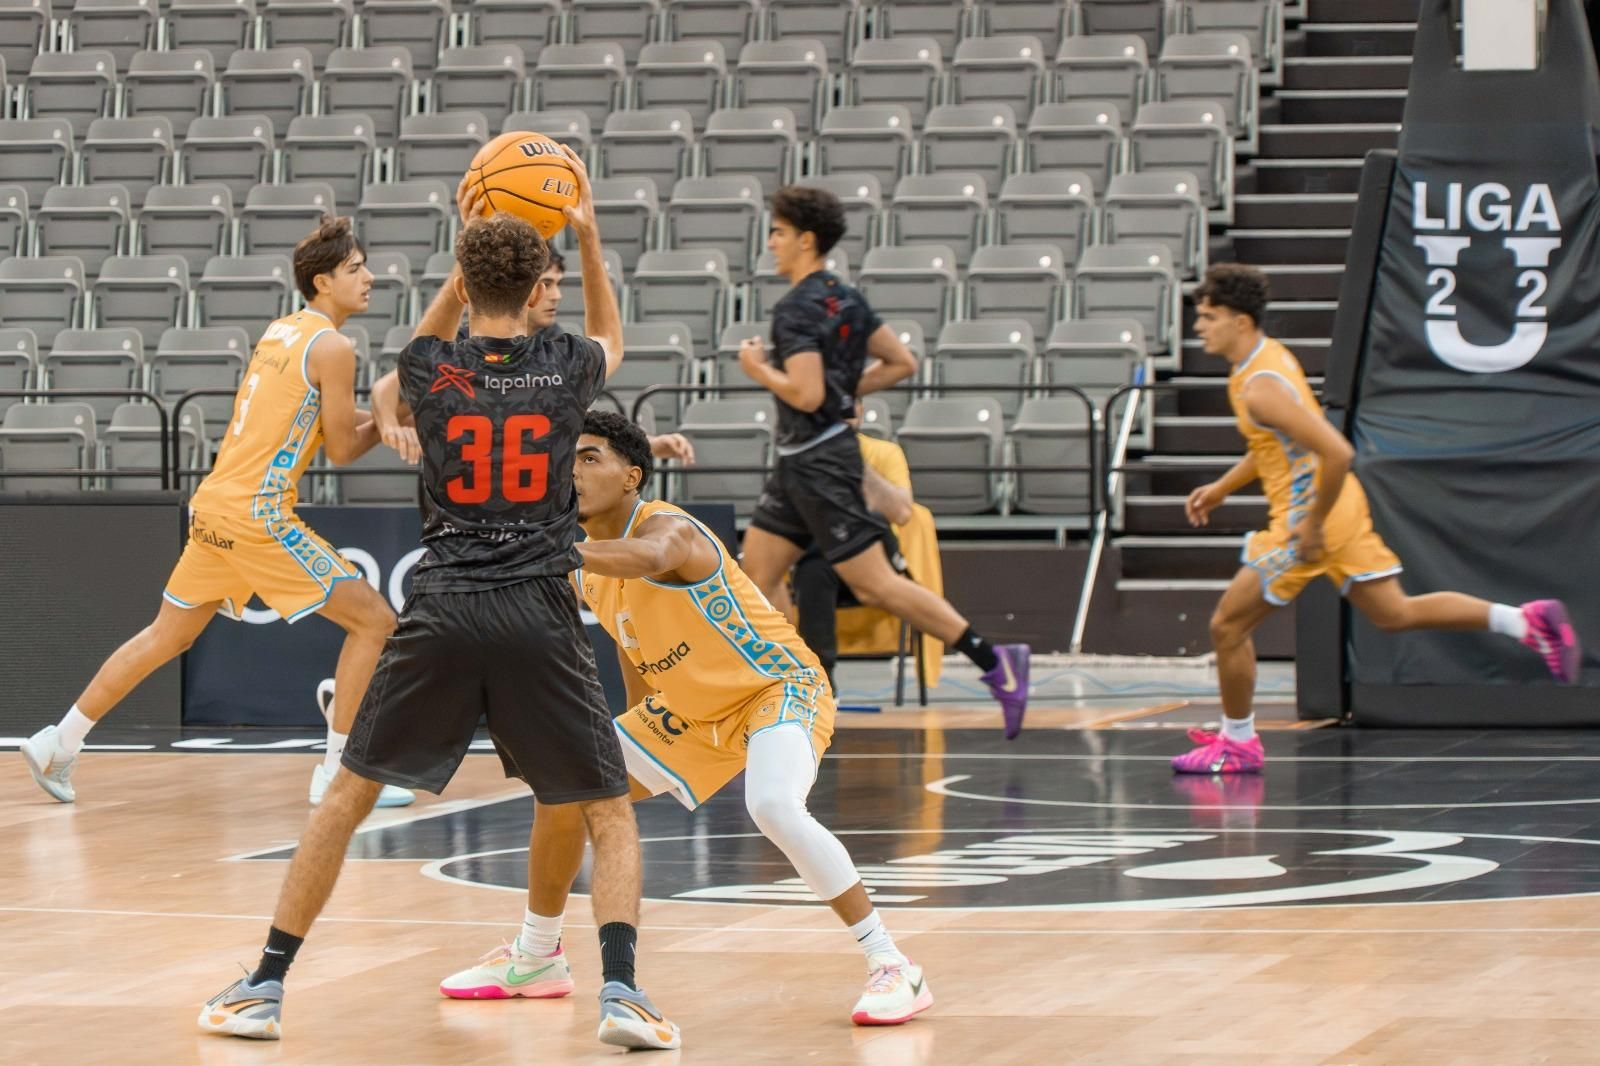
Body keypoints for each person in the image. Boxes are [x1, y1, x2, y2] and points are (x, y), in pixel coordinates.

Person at [198, 157, 681, 1052]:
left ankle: (263, 985)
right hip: (539, 608)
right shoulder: (571, 366)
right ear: (543, 287)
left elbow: (413, 353)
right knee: (607, 811)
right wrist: (588, 235)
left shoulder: (429, 368)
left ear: (461, 283)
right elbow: (613, 334)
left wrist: (462, 274)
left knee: (344, 800)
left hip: (446, 607)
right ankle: (623, 997)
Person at [431, 411, 933, 1026]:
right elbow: (629, 638)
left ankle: (892, 964)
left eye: (589, 458)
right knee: (564, 790)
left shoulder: (668, 529)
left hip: (774, 688)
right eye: (568, 461)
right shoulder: (592, 566)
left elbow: (650, 557)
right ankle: (537, 956)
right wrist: (640, 716)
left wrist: (560, 551)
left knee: (773, 805)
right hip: (689, 712)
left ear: (632, 475)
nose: (574, 471)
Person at [18, 218, 412, 809]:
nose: (370, 277)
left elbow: (319, 426)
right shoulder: (334, 346)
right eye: (355, 268)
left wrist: (384, 421)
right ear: (323, 281)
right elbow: (339, 449)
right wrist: (389, 427)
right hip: (259, 516)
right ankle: (339, 776)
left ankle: (59, 741)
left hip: (215, 507)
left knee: (164, 636)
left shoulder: (281, 331)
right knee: (375, 622)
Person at [1176, 263, 1582, 774]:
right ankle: (1524, 621)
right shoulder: (1260, 365)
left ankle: (1238, 744)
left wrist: (1313, 525)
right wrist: (1221, 488)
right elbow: (1275, 443)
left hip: (1311, 518)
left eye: (1209, 317)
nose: (1198, 327)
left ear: (1240, 321)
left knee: (1227, 626)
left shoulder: (1260, 387)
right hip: (1337, 507)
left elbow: (1338, 451)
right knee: (1395, 613)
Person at [735, 186, 1033, 737]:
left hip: (821, 461)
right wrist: (847, 392)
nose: (771, 243)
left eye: (778, 232)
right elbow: (901, 361)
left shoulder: (795, 310)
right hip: (801, 459)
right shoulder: (846, 298)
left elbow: (802, 395)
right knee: (757, 576)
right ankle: (792, 692)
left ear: (805, 239)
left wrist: (757, 369)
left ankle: (996, 662)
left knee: (875, 585)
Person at [788, 404, 943, 694]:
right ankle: (822, 682)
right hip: (828, 559)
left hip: (878, 558)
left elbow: (901, 512)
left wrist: (854, 464)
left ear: (859, 412)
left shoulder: (885, 453)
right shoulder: (804, 456)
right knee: (812, 572)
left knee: (849, 529)